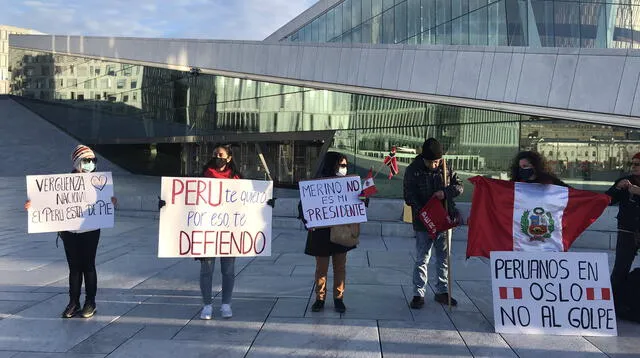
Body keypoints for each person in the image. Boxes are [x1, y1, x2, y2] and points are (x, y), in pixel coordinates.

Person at [25, 145, 117, 319]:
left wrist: (111, 202)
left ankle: (91, 302)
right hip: (69, 231)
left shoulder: (99, 182)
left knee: (88, 265)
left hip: (90, 229)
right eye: (86, 160)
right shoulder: (62, 183)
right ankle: (73, 302)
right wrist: (32, 205)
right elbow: (47, 202)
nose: (90, 164)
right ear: (77, 162)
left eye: (92, 160)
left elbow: (106, 203)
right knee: (74, 268)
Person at [403, 138, 463, 309]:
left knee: (443, 257)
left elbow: (459, 187)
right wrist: (424, 211)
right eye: (431, 162)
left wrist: (444, 193)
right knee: (422, 258)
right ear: (424, 159)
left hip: (444, 219)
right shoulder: (413, 171)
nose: (435, 165)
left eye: (437, 161)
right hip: (424, 221)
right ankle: (418, 294)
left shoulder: (446, 167)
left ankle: (442, 291)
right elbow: (409, 196)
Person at [300, 152, 362, 313]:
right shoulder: (317, 184)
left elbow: (357, 204)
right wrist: (307, 220)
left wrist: (363, 198)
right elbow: (304, 205)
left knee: (340, 267)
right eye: (341, 165)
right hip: (321, 233)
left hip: (341, 232)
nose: (344, 168)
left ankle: (338, 298)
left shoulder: (347, 185)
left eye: (345, 165)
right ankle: (319, 298)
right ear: (332, 165)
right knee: (321, 269)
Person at [197, 145, 242, 320]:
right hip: (207, 230)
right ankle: (207, 305)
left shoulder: (237, 179)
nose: (217, 157)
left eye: (221, 155)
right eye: (215, 154)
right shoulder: (203, 176)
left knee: (228, 270)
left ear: (229, 158)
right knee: (206, 269)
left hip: (229, 231)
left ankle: (226, 304)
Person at [606, 152, 640, 313]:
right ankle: (614, 305)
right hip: (627, 229)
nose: (633, 167)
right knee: (620, 268)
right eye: (632, 164)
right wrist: (617, 188)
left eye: (637, 164)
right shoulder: (626, 181)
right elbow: (608, 199)